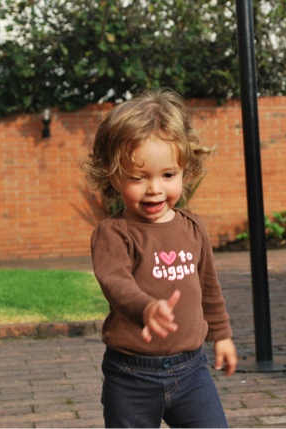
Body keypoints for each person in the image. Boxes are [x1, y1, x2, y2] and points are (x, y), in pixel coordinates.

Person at [83, 88, 237, 428]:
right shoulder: (114, 233)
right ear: (113, 175)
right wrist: (146, 308)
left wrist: (222, 335)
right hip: (131, 375)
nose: (154, 188)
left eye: (168, 175)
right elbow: (116, 282)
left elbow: (209, 287)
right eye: (138, 177)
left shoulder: (193, 227)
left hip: (192, 371)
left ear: (185, 169)